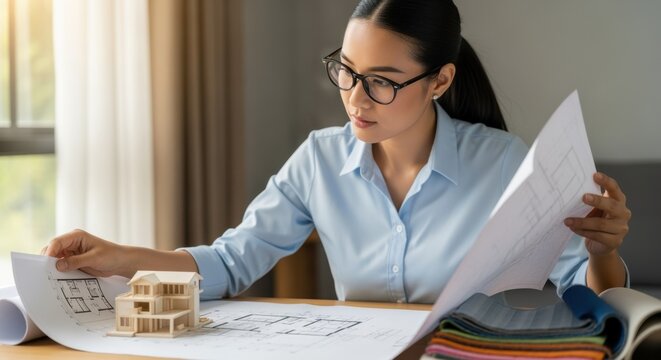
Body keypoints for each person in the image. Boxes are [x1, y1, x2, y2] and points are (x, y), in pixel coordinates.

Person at [43, 0, 630, 303]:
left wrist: (604, 251)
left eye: (381, 80)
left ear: (441, 82)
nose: (356, 98)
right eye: (346, 72)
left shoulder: (503, 161)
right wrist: (120, 256)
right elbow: (228, 264)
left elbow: (589, 292)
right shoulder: (319, 161)